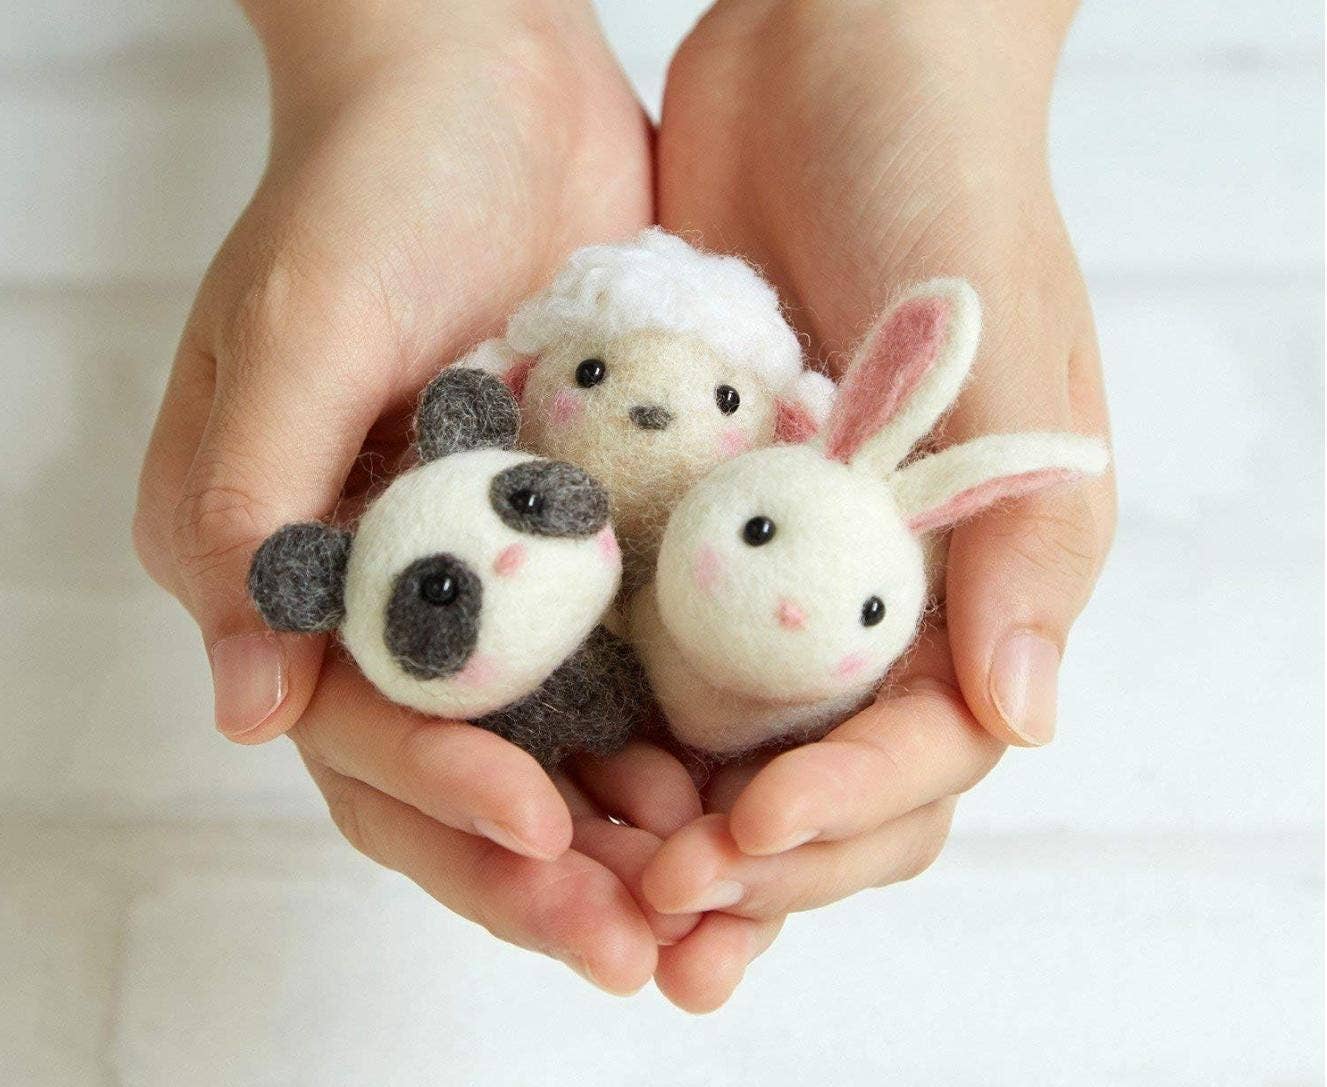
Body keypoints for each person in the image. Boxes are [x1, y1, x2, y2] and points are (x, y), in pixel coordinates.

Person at [132, 0, 1115, 1013]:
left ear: (781, 424)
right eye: (592, 373)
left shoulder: (792, 461)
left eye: (726, 402)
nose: (646, 415)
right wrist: (421, 43)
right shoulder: (503, 452)